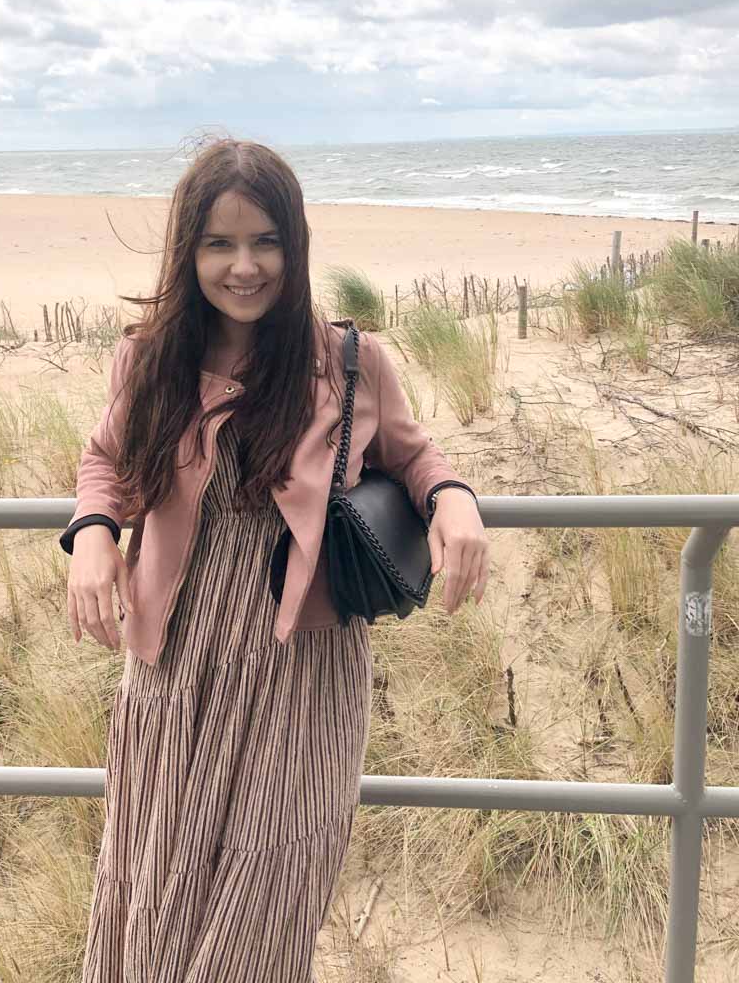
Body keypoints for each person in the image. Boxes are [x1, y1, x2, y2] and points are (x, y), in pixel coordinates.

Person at [60, 135, 490, 982]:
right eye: (219, 243)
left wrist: (455, 497)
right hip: (176, 665)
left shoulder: (348, 360)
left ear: (295, 248)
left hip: (300, 667)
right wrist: (94, 533)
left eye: (266, 242)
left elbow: (414, 455)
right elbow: (105, 458)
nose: (244, 266)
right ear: (189, 252)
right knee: (157, 890)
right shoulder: (150, 356)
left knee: (265, 900)